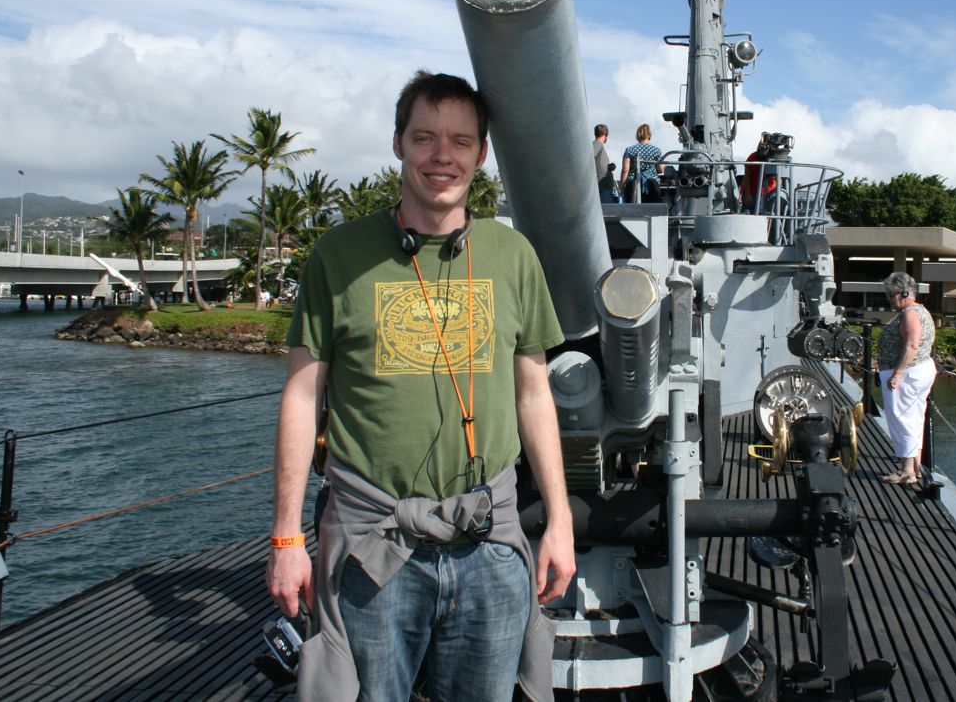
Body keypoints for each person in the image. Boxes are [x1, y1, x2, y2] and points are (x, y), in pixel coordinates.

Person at [266, 70, 575, 701]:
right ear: (399, 144)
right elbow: (301, 397)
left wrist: (561, 522)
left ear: (481, 155)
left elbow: (534, 393)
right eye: (426, 137)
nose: (443, 156)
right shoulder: (338, 254)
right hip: (371, 548)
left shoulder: (513, 256)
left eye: (461, 141)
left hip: (489, 544)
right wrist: (285, 538)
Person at [876, 272, 937, 486]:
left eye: (891, 295)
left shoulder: (910, 313)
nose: (889, 299)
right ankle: (915, 466)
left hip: (908, 374)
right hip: (920, 370)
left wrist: (897, 374)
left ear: (903, 293)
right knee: (914, 418)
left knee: (902, 420)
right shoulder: (921, 311)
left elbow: (911, 345)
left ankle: (907, 470)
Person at [619, 123, 663, 204]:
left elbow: (625, 170)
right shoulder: (656, 150)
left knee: (632, 212)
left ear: (637, 135)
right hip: (651, 185)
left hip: (633, 184)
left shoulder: (629, 150)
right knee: (653, 212)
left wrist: (622, 186)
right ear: (649, 135)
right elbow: (661, 169)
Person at [593, 123, 618, 203]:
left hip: (603, 188)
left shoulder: (597, 145)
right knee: (608, 213)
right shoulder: (597, 144)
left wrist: (609, 167)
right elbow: (590, 157)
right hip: (602, 189)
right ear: (605, 135)